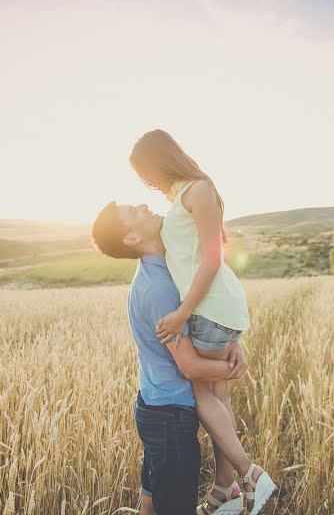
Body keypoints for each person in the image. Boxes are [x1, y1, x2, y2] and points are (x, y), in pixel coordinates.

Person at [129, 129, 276, 515]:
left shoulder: (198, 190)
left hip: (209, 306)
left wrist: (181, 314)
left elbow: (213, 259)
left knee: (202, 394)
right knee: (218, 396)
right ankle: (225, 488)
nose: (146, 183)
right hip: (211, 308)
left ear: (159, 162)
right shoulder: (182, 195)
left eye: (145, 173)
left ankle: (250, 475)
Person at [91, 201, 249, 515]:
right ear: (132, 239)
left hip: (157, 406)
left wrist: (233, 342)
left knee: (151, 505)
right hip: (169, 416)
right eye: (133, 212)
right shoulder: (160, 288)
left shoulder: (167, 268)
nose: (143, 205)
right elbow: (189, 366)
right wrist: (230, 366)